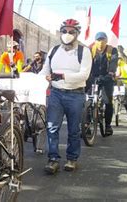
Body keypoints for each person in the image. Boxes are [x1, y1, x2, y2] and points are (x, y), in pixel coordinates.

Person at [40, 18, 92, 174]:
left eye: (71, 32)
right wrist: (39, 78)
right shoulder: (54, 50)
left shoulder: (84, 51)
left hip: (75, 95)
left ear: (77, 34)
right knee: (52, 127)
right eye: (64, 31)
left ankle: (72, 159)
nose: (67, 34)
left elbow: (84, 74)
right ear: (60, 32)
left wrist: (63, 76)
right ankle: (53, 159)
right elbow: (45, 70)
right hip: (56, 93)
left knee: (74, 130)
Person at [87, 32, 118, 136]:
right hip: (92, 77)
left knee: (108, 101)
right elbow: (86, 63)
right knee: (87, 101)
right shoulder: (90, 49)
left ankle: (108, 125)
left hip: (106, 78)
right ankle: (86, 125)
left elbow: (113, 63)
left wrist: (110, 73)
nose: (100, 42)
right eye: (98, 40)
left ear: (106, 41)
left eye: (103, 40)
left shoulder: (112, 50)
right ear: (95, 41)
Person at [116, 57, 127, 121]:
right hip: (116, 83)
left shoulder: (125, 66)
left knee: (125, 100)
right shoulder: (114, 66)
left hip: (125, 83)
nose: (118, 61)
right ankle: (116, 109)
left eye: (119, 60)